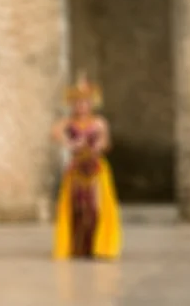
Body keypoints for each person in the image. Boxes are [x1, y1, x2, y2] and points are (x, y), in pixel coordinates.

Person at [52, 72, 122, 260]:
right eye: (77, 102)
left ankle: (99, 245)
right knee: (77, 207)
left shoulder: (99, 123)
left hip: (96, 168)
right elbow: (55, 133)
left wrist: (99, 145)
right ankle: (77, 247)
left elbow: (106, 143)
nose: (81, 106)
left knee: (96, 207)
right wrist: (69, 143)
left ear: (91, 103)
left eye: (85, 102)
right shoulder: (68, 122)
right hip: (76, 169)